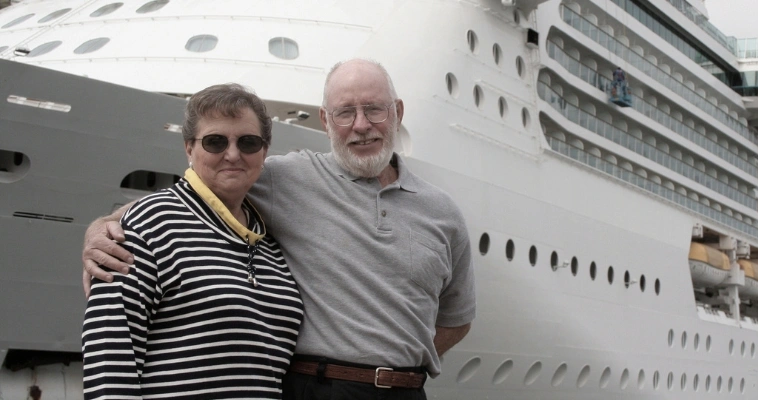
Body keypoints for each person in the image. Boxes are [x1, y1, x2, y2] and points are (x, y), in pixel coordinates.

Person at [82, 59, 476, 400]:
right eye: (345, 112)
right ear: (325, 120)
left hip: (406, 391)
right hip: (315, 388)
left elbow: (457, 318)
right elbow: (206, 189)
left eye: (374, 109)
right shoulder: (289, 177)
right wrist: (103, 225)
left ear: (398, 112)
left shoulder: (443, 211)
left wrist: (397, 362)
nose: (361, 126)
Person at [81, 84, 304, 399]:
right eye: (215, 142)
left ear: (264, 151)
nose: (232, 154)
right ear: (189, 148)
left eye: (248, 142)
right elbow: (110, 353)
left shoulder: (269, 244)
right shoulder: (149, 224)